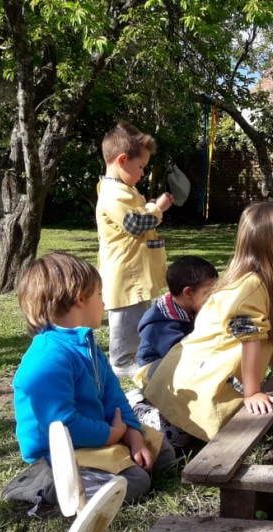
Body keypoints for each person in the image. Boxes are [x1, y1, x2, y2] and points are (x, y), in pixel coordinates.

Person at [4, 252, 175, 509]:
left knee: (163, 454)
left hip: (97, 437)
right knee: (137, 482)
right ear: (80, 299)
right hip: (57, 455)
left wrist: (132, 436)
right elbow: (62, 425)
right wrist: (110, 435)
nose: (104, 302)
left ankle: (107, 469)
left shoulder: (86, 344)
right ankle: (45, 487)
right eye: (99, 295)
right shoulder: (48, 357)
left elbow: (113, 397)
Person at [141, 203, 273, 442]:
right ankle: (140, 411)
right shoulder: (250, 287)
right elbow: (250, 338)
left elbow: (270, 332)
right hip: (196, 384)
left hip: (204, 377)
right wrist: (253, 392)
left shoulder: (263, 284)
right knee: (172, 438)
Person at [96, 121, 174, 377]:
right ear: (122, 160)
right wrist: (157, 208)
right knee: (125, 320)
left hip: (134, 273)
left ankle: (136, 355)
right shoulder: (112, 194)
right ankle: (121, 362)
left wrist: (150, 206)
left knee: (137, 317)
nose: (142, 173)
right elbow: (136, 224)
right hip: (124, 274)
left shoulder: (124, 191)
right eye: (140, 167)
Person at [135, 256, 219, 376]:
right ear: (188, 292)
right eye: (208, 293)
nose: (213, 297)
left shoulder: (192, 307)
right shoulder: (159, 324)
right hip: (155, 369)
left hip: (184, 359)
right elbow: (180, 356)